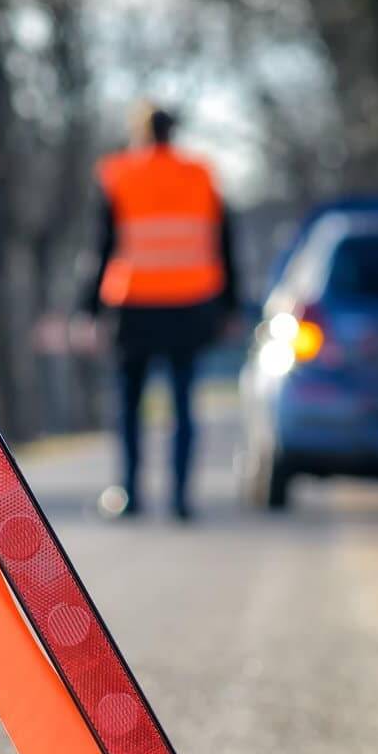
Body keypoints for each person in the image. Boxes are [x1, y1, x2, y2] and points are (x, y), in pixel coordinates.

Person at [80, 102, 239, 521]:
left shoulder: (119, 174)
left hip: (134, 306)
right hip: (191, 303)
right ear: (173, 132)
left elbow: (102, 246)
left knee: (129, 405)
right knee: (183, 404)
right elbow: (225, 243)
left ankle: (130, 493)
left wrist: (89, 308)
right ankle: (181, 498)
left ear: (140, 132)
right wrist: (230, 304)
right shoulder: (201, 174)